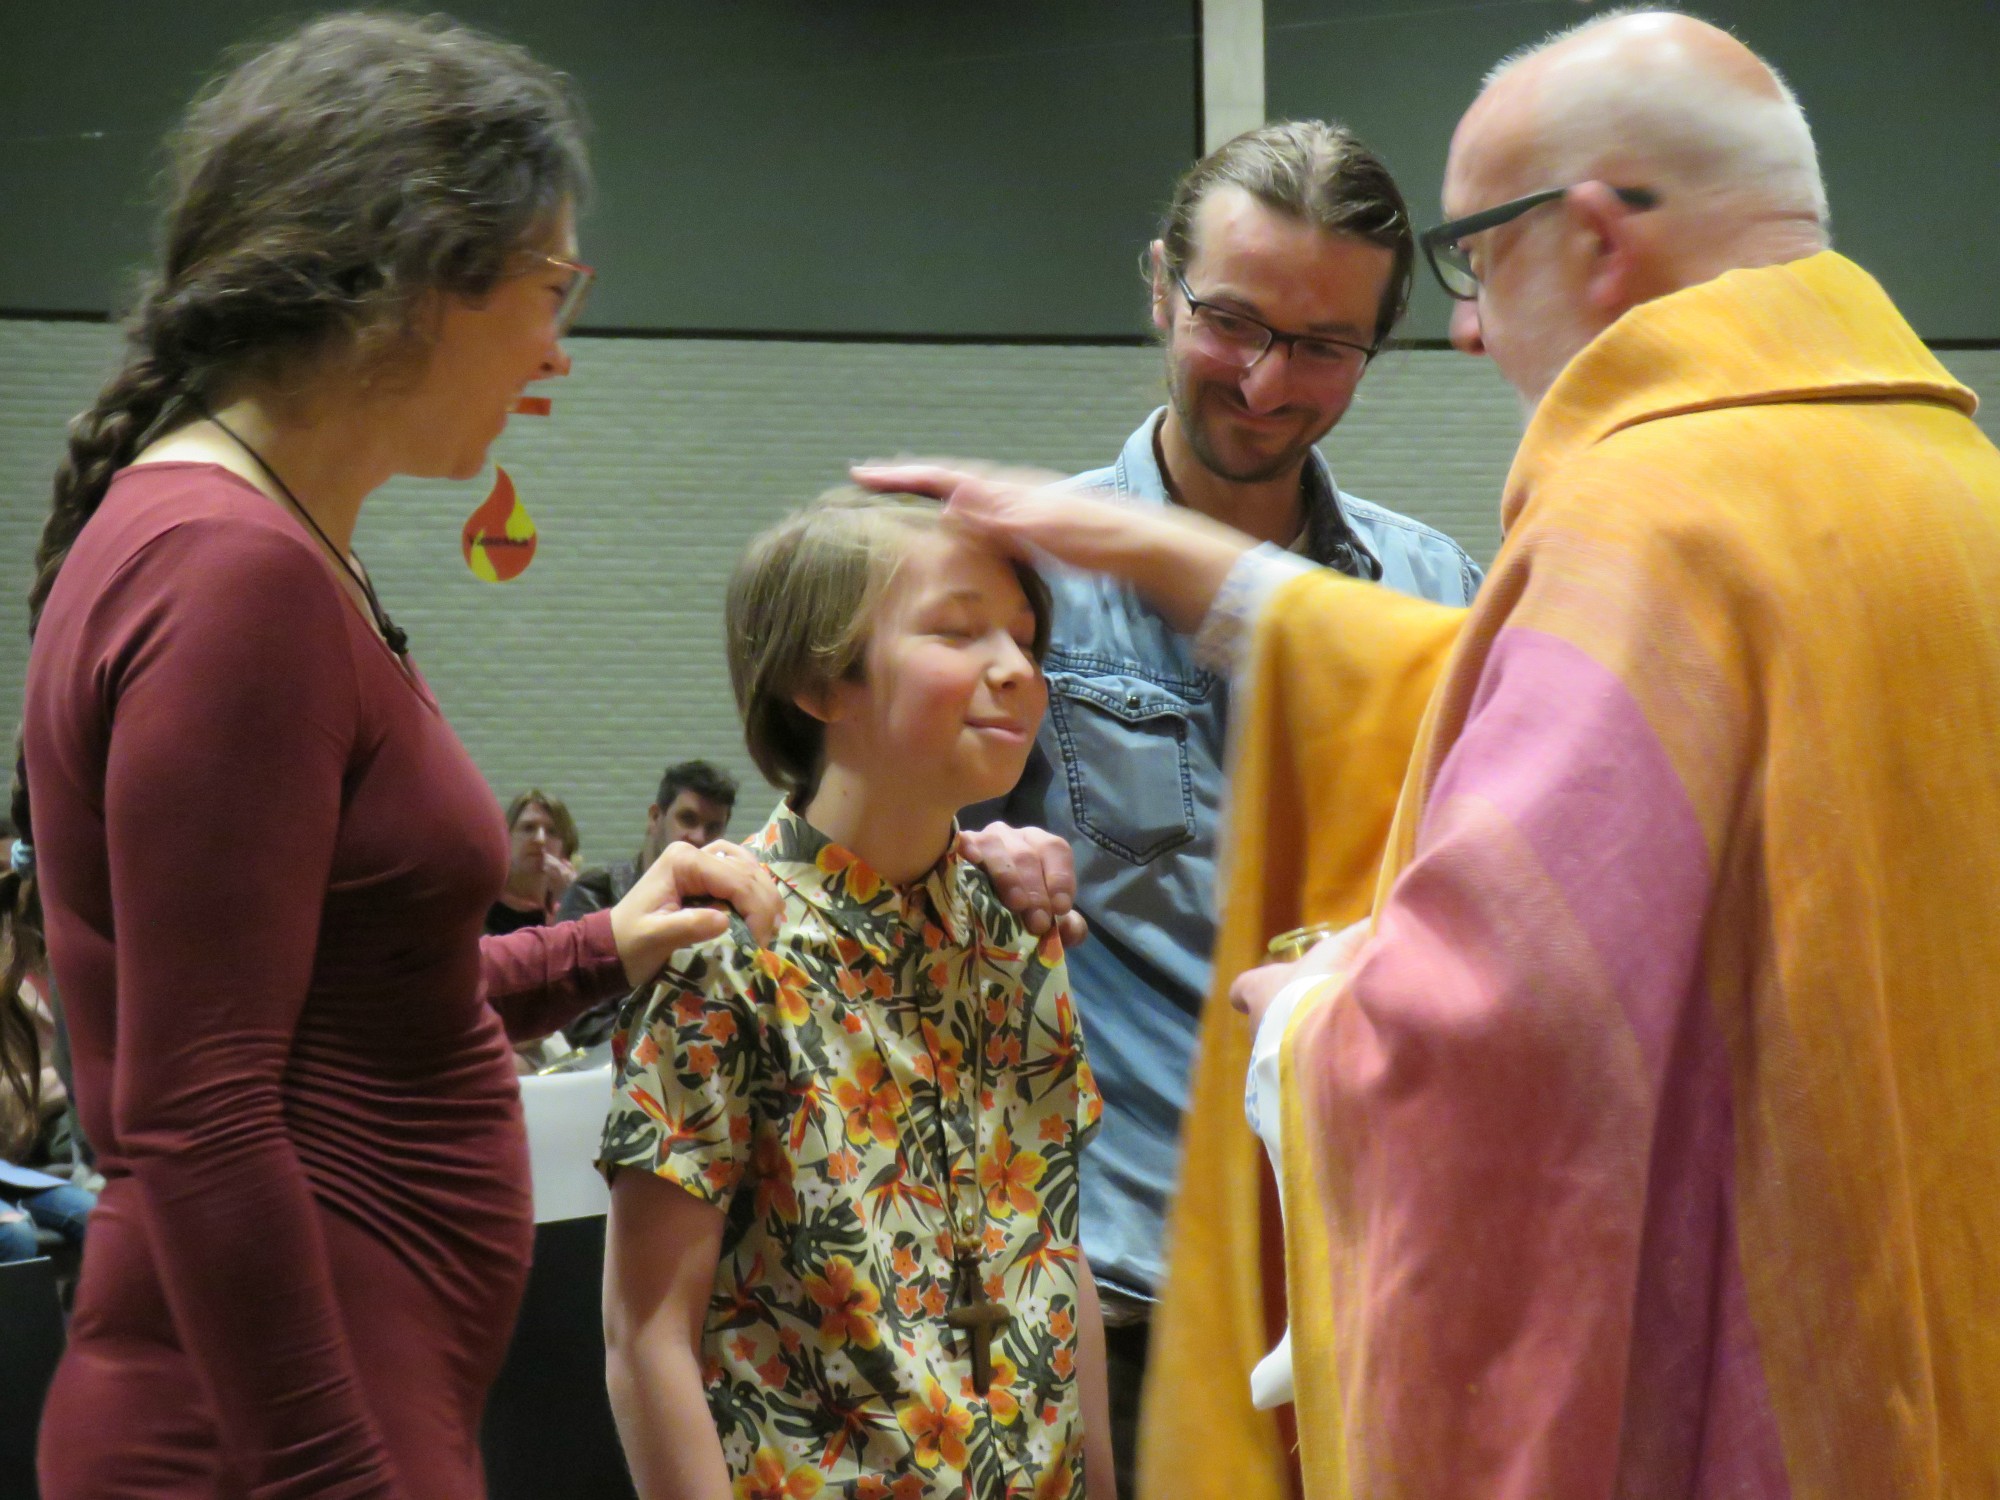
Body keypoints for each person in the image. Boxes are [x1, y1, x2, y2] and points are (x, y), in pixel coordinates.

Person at [872, 11, 2000, 1496]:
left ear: (1592, 236)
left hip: (1726, 1358)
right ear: (1166, 289)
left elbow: (1496, 1006)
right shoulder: (1950, 484)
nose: (1473, 329)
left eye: (1469, 265)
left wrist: (1307, 1020)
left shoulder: (1651, 516)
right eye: (1237, 324)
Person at [19, 16, 783, 1497]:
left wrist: (597, 947)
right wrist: (333, 1478)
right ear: (419, 273)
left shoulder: (247, 541)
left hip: (319, 1404)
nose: (560, 346)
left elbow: (329, 997)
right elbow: (199, 1110)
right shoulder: (231, 572)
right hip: (263, 1439)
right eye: (552, 284)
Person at [957, 121, 1482, 1491]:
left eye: (1322, 346)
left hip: (1375, 1284)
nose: (1262, 381)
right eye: (1230, 322)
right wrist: (968, 859)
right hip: (1127, 1297)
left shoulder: (1437, 596)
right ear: (1157, 287)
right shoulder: (1022, 571)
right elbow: (860, 876)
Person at [600, 491, 1114, 1500]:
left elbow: (1055, 1258)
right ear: (818, 680)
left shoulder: (1015, 932)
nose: (1015, 670)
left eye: (1022, 636)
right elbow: (644, 1334)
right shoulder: (724, 944)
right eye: (956, 631)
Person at [558, 760, 739, 1048]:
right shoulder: (596, 892)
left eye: (714, 827)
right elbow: (577, 1014)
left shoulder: (722, 909)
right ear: (655, 817)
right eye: (688, 819)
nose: (699, 837)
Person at [486, 788, 583, 935]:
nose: (540, 839)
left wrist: (574, 899)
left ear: (565, 848)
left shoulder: (570, 909)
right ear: (506, 839)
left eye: (552, 831)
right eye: (528, 828)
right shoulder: (480, 906)